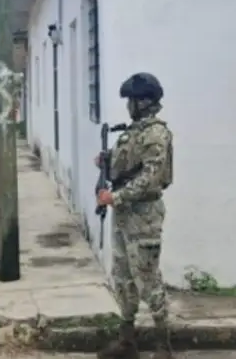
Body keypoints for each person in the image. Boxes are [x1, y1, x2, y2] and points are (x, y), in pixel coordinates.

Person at [95, 72, 175, 359]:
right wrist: (107, 162)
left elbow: (150, 178)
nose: (128, 105)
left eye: (131, 100)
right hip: (125, 214)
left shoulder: (156, 133)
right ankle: (127, 341)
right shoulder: (136, 130)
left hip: (144, 215)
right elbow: (127, 166)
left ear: (143, 102)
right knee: (123, 276)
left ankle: (163, 347)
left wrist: (114, 197)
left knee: (147, 278)